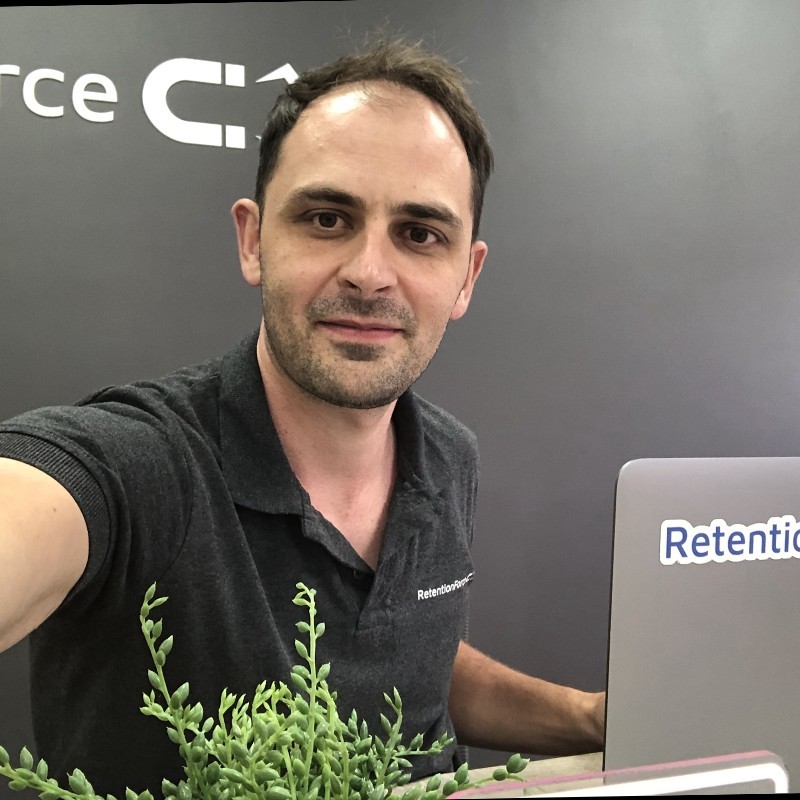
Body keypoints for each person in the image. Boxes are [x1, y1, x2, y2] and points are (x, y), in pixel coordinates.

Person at [0, 36, 604, 796]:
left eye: (420, 234)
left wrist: (594, 716)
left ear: (466, 277)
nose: (370, 273)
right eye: (326, 218)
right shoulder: (139, 461)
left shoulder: (449, 456)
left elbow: (416, 660)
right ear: (254, 240)